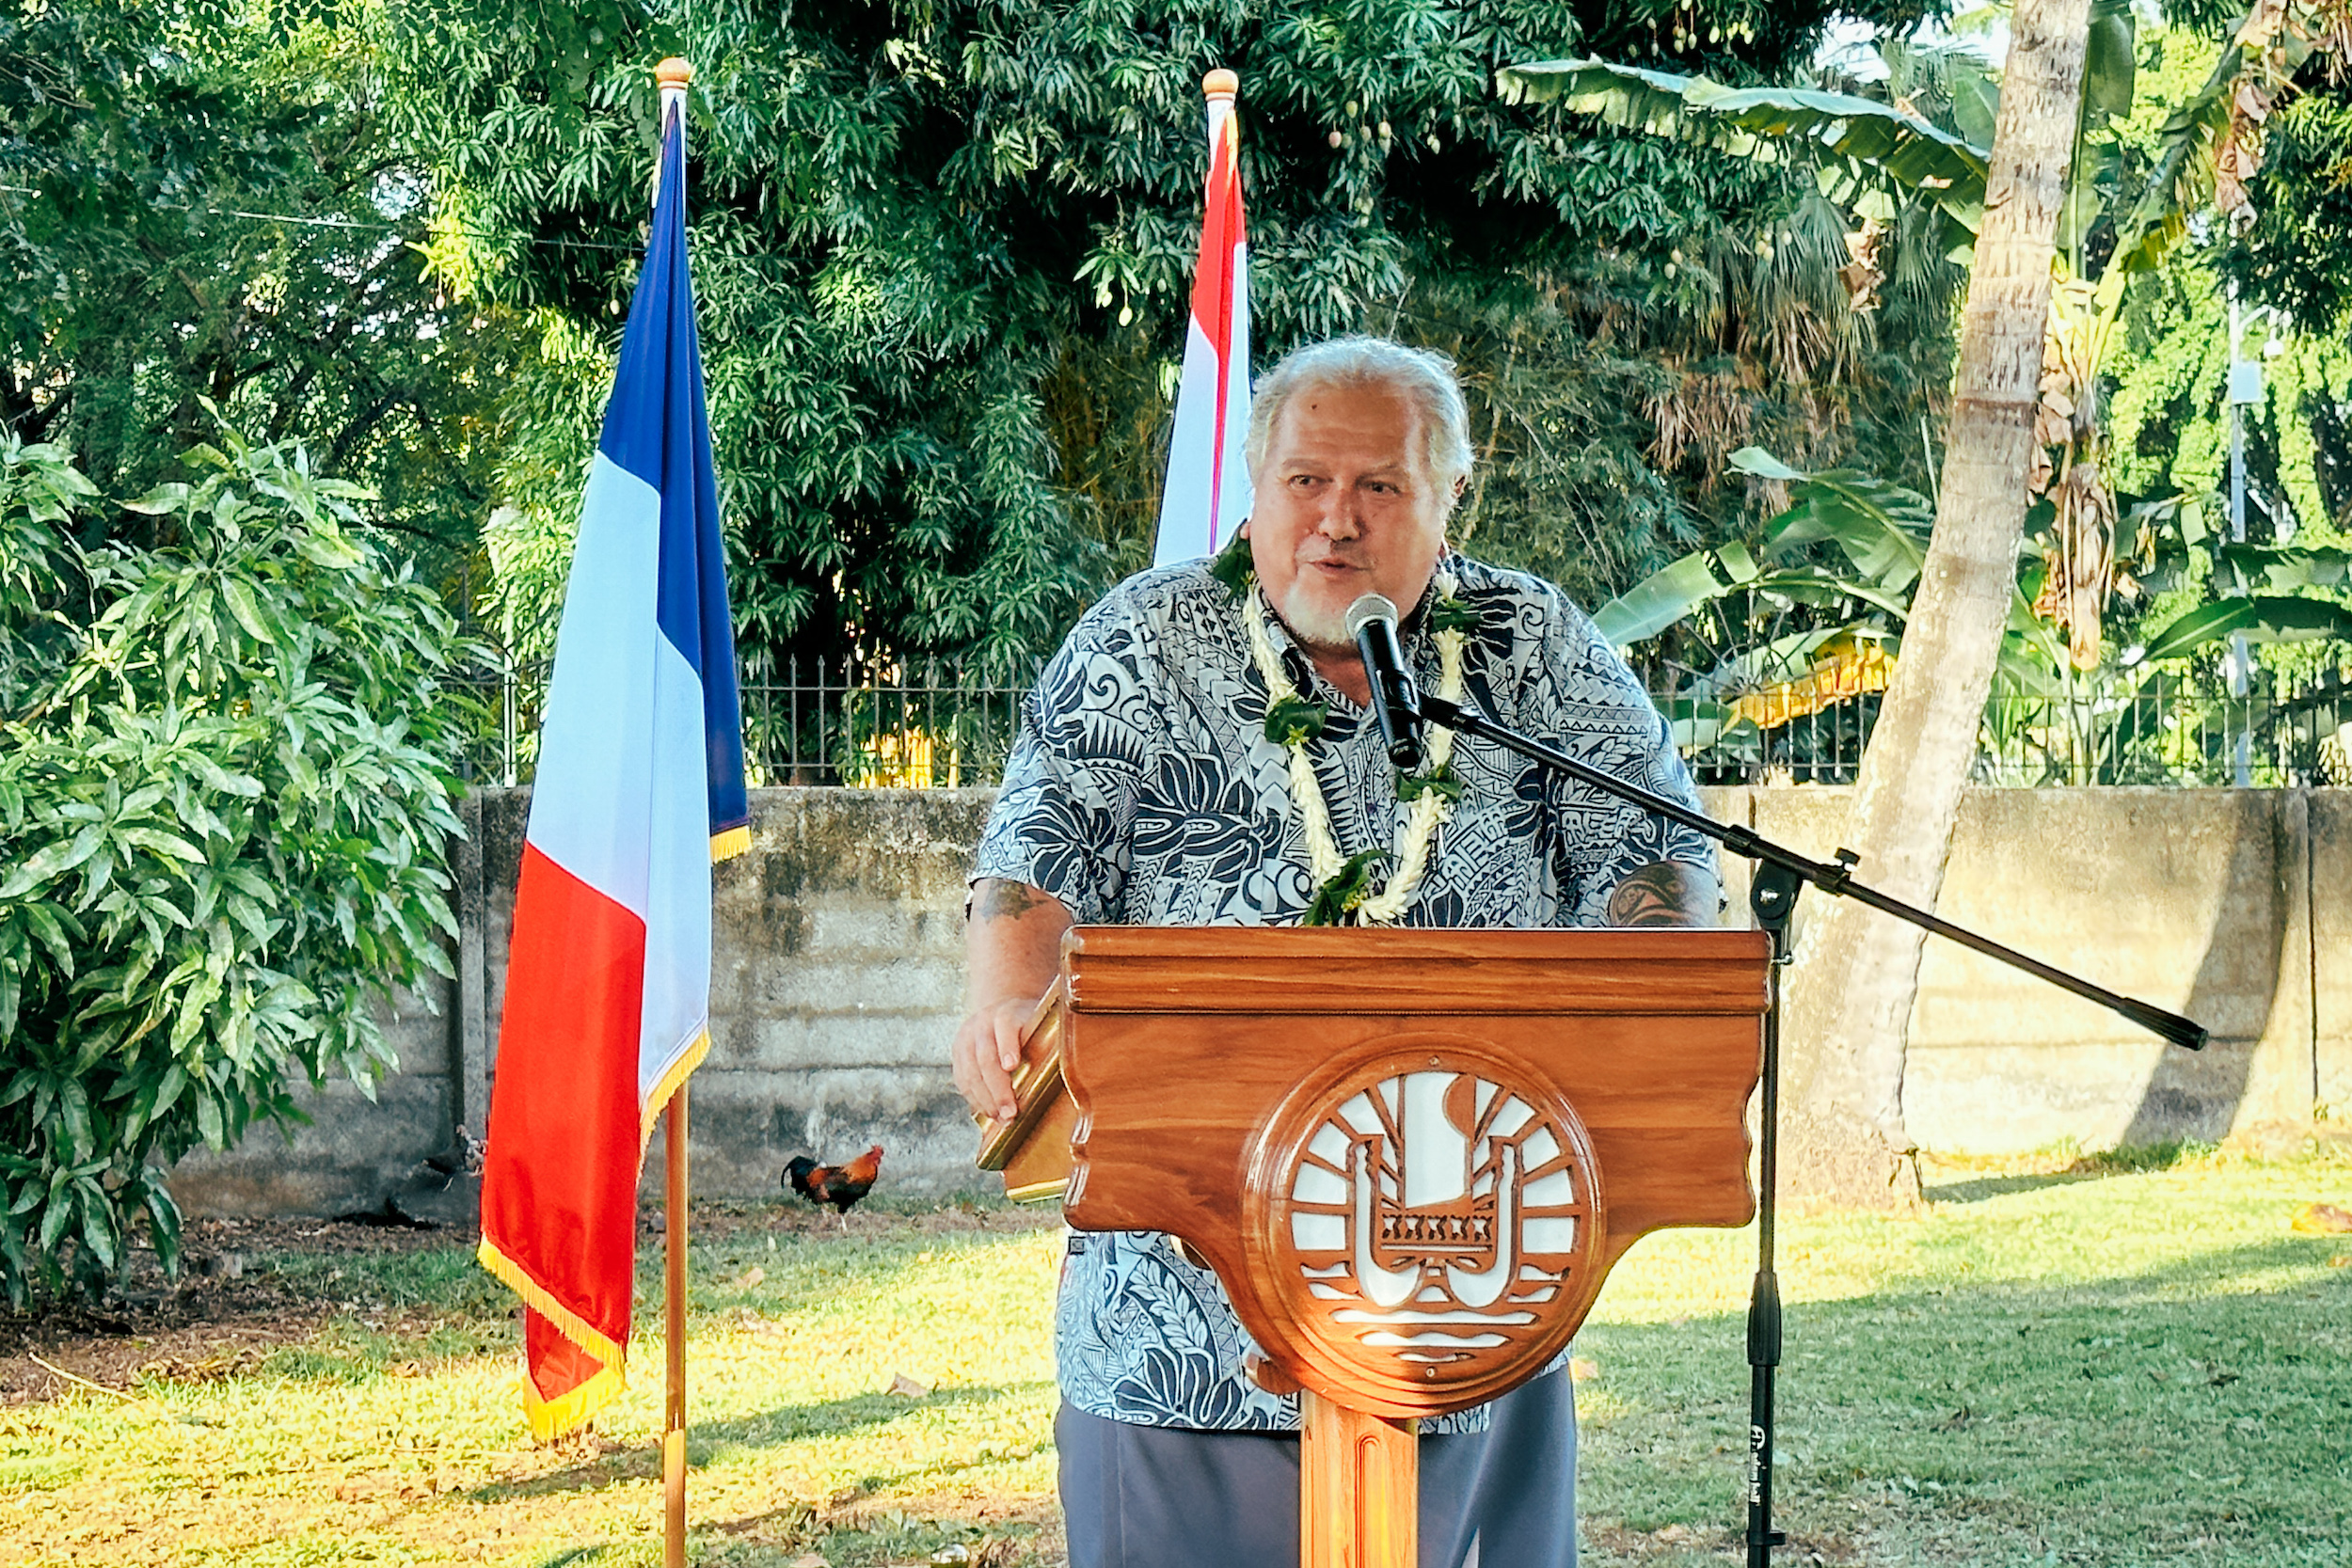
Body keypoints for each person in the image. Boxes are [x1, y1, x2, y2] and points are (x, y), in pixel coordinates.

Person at [950, 336, 1719, 1567]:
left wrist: (1652, 962)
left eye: (1379, 487)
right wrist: (1010, 1005)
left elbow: (1650, 849)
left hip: (1473, 1278)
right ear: (1255, 489)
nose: (1336, 523)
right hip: (1184, 1313)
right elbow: (1038, 858)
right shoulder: (1145, 640)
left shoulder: (1534, 646)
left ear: (1448, 495)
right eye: (1306, 482)